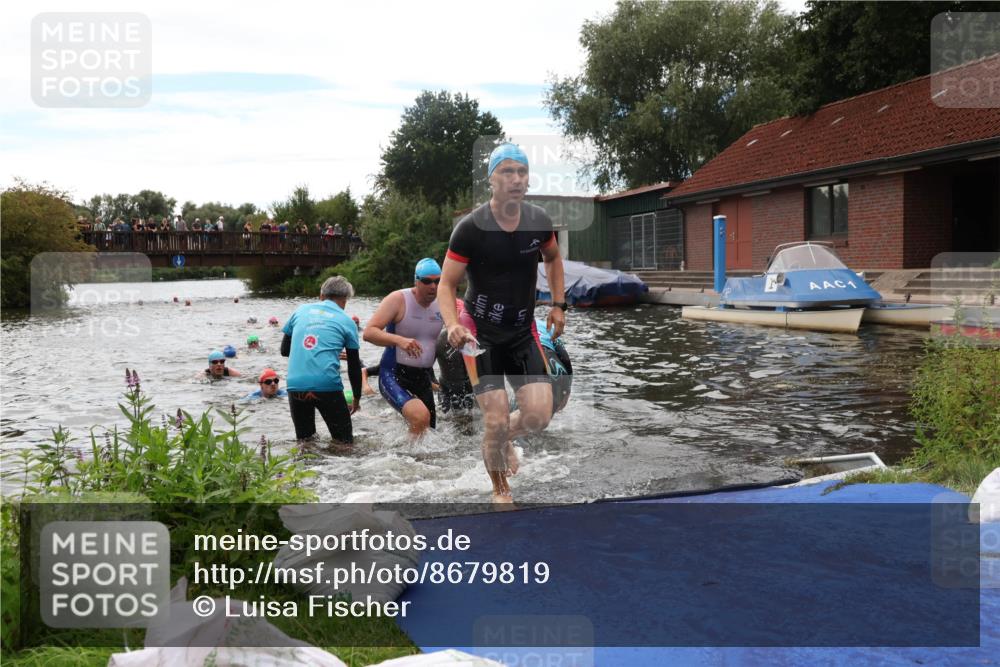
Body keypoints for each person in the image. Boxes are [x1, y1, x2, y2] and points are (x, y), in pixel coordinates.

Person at [438, 142, 567, 503]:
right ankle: (500, 491)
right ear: (491, 179)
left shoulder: (538, 221)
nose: (516, 178)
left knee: (539, 415)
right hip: (480, 334)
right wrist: (452, 324)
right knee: (494, 420)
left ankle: (502, 439)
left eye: (522, 172)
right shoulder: (470, 229)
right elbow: (446, 285)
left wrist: (559, 304)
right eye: (507, 171)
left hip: (522, 330)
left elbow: (553, 258)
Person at [363, 258, 444, 437]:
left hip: (423, 377)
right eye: (427, 281)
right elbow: (369, 333)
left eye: (438, 281)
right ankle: (403, 454)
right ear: (416, 281)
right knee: (420, 417)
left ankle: (405, 452)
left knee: (430, 433)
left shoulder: (444, 301)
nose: (433, 286)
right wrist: (399, 340)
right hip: (394, 375)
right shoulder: (398, 299)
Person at [281, 276, 362, 444]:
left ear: (321, 295)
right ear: (345, 300)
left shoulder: (300, 310)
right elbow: (354, 366)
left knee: (305, 442)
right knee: (344, 443)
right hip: (327, 385)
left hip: (296, 385)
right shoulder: (347, 322)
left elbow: (284, 350)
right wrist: (356, 398)